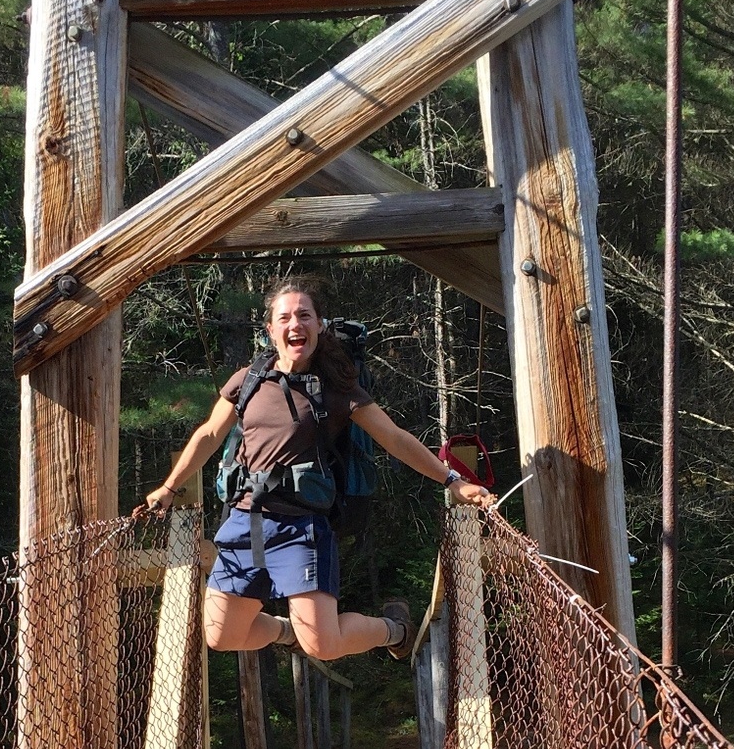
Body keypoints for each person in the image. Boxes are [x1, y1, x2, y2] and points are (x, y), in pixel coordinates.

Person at [133, 277, 494, 662]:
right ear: (270, 329)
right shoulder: (248, 380)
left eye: (304, 315)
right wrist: (169, 487)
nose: (295, 324)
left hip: (301, 527)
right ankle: (288, 632)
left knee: (324, 646)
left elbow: (394, 437)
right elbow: (207, 434)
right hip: (246, 521)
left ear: (319, 324)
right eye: (284, 317)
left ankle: (394, 630)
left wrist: (452, 479)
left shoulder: (336, 387)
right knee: (222, 635)